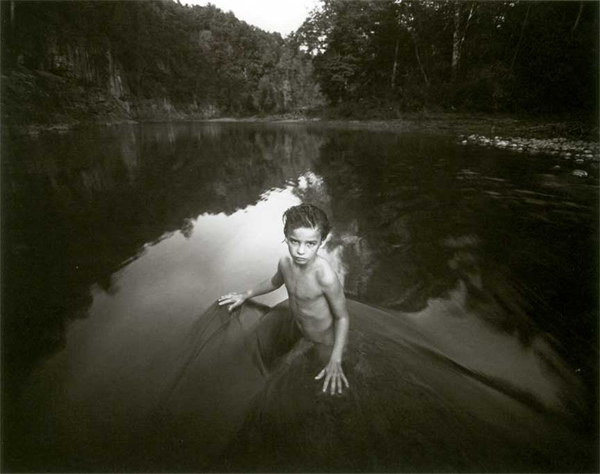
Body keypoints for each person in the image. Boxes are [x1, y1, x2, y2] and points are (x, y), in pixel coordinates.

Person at [218, 203, 350, 395]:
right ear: (286, 237)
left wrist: (336, 357)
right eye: (294, 241)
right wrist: (245, 295)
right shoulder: (285, 263)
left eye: (310, 244)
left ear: (321, 242)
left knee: (330, 385)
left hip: (325, 342)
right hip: (301, 330)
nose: (300, 251)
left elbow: (342, 318)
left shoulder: (325, 277)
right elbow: (274, 282)